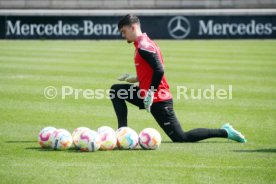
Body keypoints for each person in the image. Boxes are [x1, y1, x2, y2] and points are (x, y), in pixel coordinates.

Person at [109, 14, 247, 143]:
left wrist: (150, 92)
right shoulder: (142, 44)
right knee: (116, 91)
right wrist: (135, 78)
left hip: (158, 99)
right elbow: (151, 70)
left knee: (181, 137)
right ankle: (123, 132)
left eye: (123, 31)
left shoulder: (144, 46)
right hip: (145, 94)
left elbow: (159, 69)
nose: (123, 35)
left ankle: (225, 131)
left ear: (132, 27)